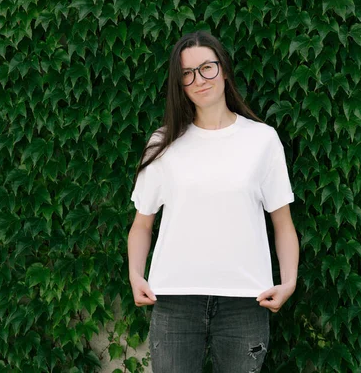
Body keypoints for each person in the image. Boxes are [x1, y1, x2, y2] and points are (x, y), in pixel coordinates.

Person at [127, 31, 299, 373]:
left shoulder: (262, 140)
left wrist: (289, 282)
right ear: (180, 84)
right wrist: (135, 275)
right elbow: (141, 225)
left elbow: (283, 224)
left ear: (224, 71)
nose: (199, 80)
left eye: (207, 68)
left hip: (245, 302)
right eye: (187, 73)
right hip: (174, 301)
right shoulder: (163, 143)